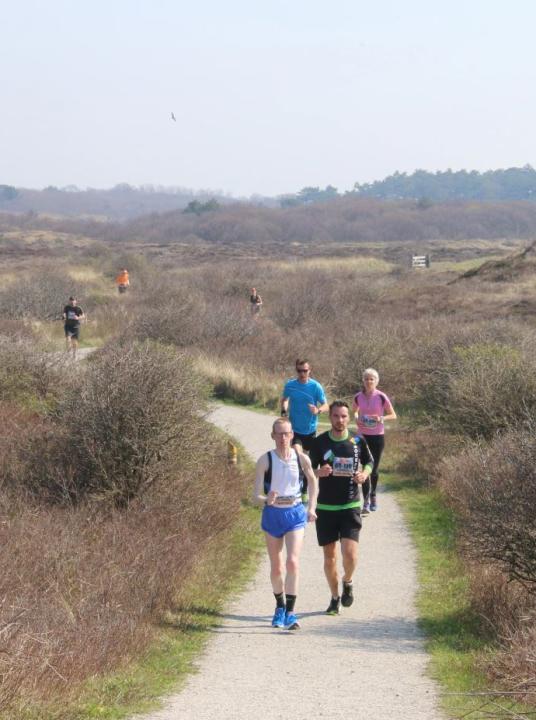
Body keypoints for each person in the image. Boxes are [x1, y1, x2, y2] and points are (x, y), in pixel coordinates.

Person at [309, 401, 373, 615]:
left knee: (351, 555)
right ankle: (334, 598)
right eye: (335, 416)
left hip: (350, 504)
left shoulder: (357, 440)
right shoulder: (320, 442)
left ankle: (348, 581)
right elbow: (308, 470)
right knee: (330, 557)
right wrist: (319, 473)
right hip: (326, 507)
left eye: (344, 416)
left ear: (349, 417)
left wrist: (363, 474)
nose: (339, 420)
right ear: (331, 417)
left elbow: (370, 462)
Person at [254, 417, 318, 630]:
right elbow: (255, 496)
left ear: (292, 435)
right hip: (273, 514)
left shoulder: (302, 459)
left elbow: (313, 482)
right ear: (272, 436)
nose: (283, 438)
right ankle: (279, 606)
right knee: (277, 566)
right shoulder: (265, 460)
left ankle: (291, 612)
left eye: (287, 433)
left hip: (295, 513)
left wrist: (311, 508)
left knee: (292, 561)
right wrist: (266, 499)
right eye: (279, 434)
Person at [352, 368, 397, 514]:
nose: (369, 381)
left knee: (374, 470)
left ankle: (373, 495)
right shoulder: (358, 396)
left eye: (372, 379)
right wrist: (356, 416)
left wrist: (381, 418)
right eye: (366, 379)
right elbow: (354, 411)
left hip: (377, 436)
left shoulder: (381, 396)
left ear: (376, 381)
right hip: (362, 436)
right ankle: (365, 501)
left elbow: (393, 415)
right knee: (365, 467)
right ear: (363, 381)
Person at [280, 359, 329, 453]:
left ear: (310, 370)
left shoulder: (315, 386)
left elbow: (326, 405)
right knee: (297, 453)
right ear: (296, 370)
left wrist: (317, 411)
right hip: (294, 429)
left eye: (305, 371)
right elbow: (285, 399)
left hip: (310, 429)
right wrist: (284, 411)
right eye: (299, 371)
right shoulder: (290, 385)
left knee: (307, 458)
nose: (302, 373)